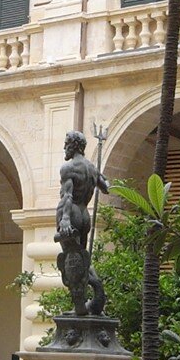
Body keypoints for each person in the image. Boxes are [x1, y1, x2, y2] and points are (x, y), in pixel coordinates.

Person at [54, 130, 108, 317]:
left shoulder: (68, 168)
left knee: (72, 260)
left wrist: (65, 219)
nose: (64, 147)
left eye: (66, 143)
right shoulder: (91, 168)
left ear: (73, 145)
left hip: (72, 212)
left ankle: (79, 307)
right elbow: (106, 187)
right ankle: (97, 293)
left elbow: (68, 195)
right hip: (85, 215)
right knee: (83, 258)